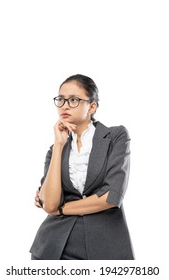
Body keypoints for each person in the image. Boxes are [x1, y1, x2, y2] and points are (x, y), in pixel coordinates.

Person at [30, 74, 134, 260]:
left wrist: (62, 209)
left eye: (74, 100)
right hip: (53, 248)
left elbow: (111, 197)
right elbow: (49, 204)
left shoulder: (116, 137)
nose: (65, 105)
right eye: (61, 99)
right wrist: (59, 145)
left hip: (106, 247)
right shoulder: (54, 149)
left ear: (92, 106)